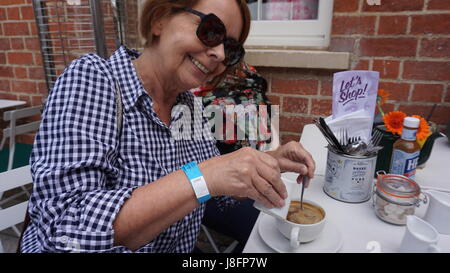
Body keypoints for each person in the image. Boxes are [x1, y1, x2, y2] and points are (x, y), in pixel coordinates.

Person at [20, 0, 315, 253]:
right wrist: (205, 175)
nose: (221, 55)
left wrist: (267, 163)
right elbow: (63, 231)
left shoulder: (188, 106)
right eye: (211, 31)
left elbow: (218, 192)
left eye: (232, 48)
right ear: (159, 18)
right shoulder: (95, 80)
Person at [192, 62, 278, 253]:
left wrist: (273, 155)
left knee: (277, 224)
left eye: (231, 43)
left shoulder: (249, 76)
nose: (219, 53)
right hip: (205, 190)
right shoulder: (189, 88)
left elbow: (267, 125)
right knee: (267, 230)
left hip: (247, 176)